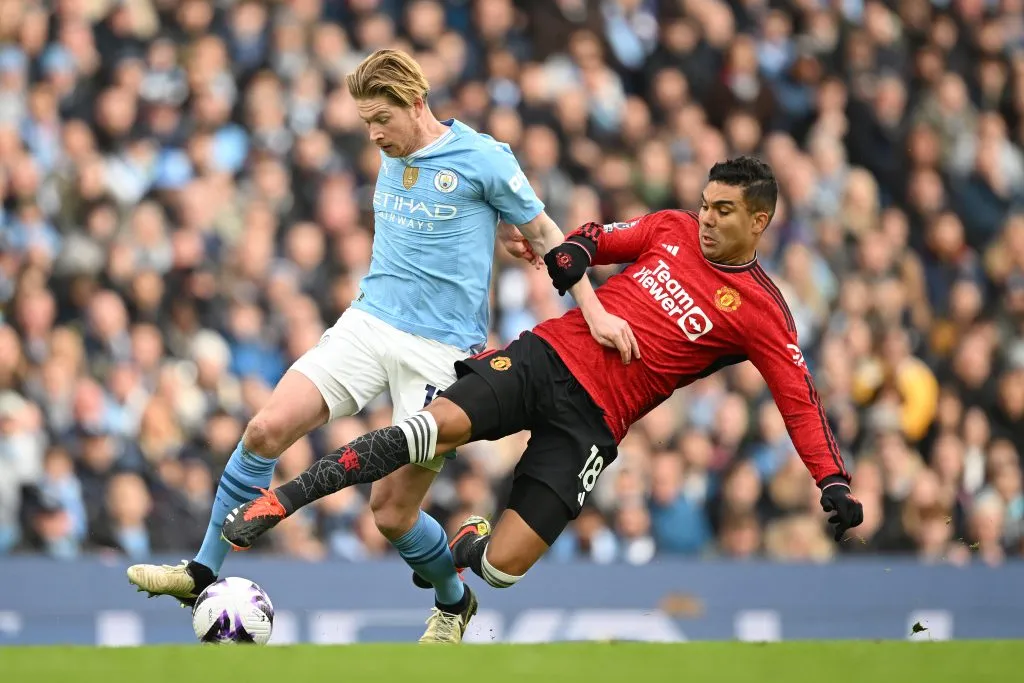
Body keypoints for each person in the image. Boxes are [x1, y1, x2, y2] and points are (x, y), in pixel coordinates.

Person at [126, 48, 634, 644]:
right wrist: (496, 233)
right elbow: (451, 223)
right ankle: (201, 571)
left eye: (381, 119)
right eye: (365, 121)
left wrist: (594, 312)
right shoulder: (391, 151)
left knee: (391, 513)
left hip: (440, 352)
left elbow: (546, 233)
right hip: (367, 323)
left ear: (416, 103)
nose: (372, 134)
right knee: (264, 429)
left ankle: (453, 602)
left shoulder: (484, 157)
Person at [219, 156, 863, 602]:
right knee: (428, 428)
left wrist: (830, 479)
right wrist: (574, 249)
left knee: (503, 569)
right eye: (705, 205)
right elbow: (595, 240)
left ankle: (469, 548)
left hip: (596, 423)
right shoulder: (670, 228)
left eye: (723, 210)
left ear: (759, 221)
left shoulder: (762, 312)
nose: (707, 219)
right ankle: (284, 500)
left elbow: (799, 401)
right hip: (545, 359)